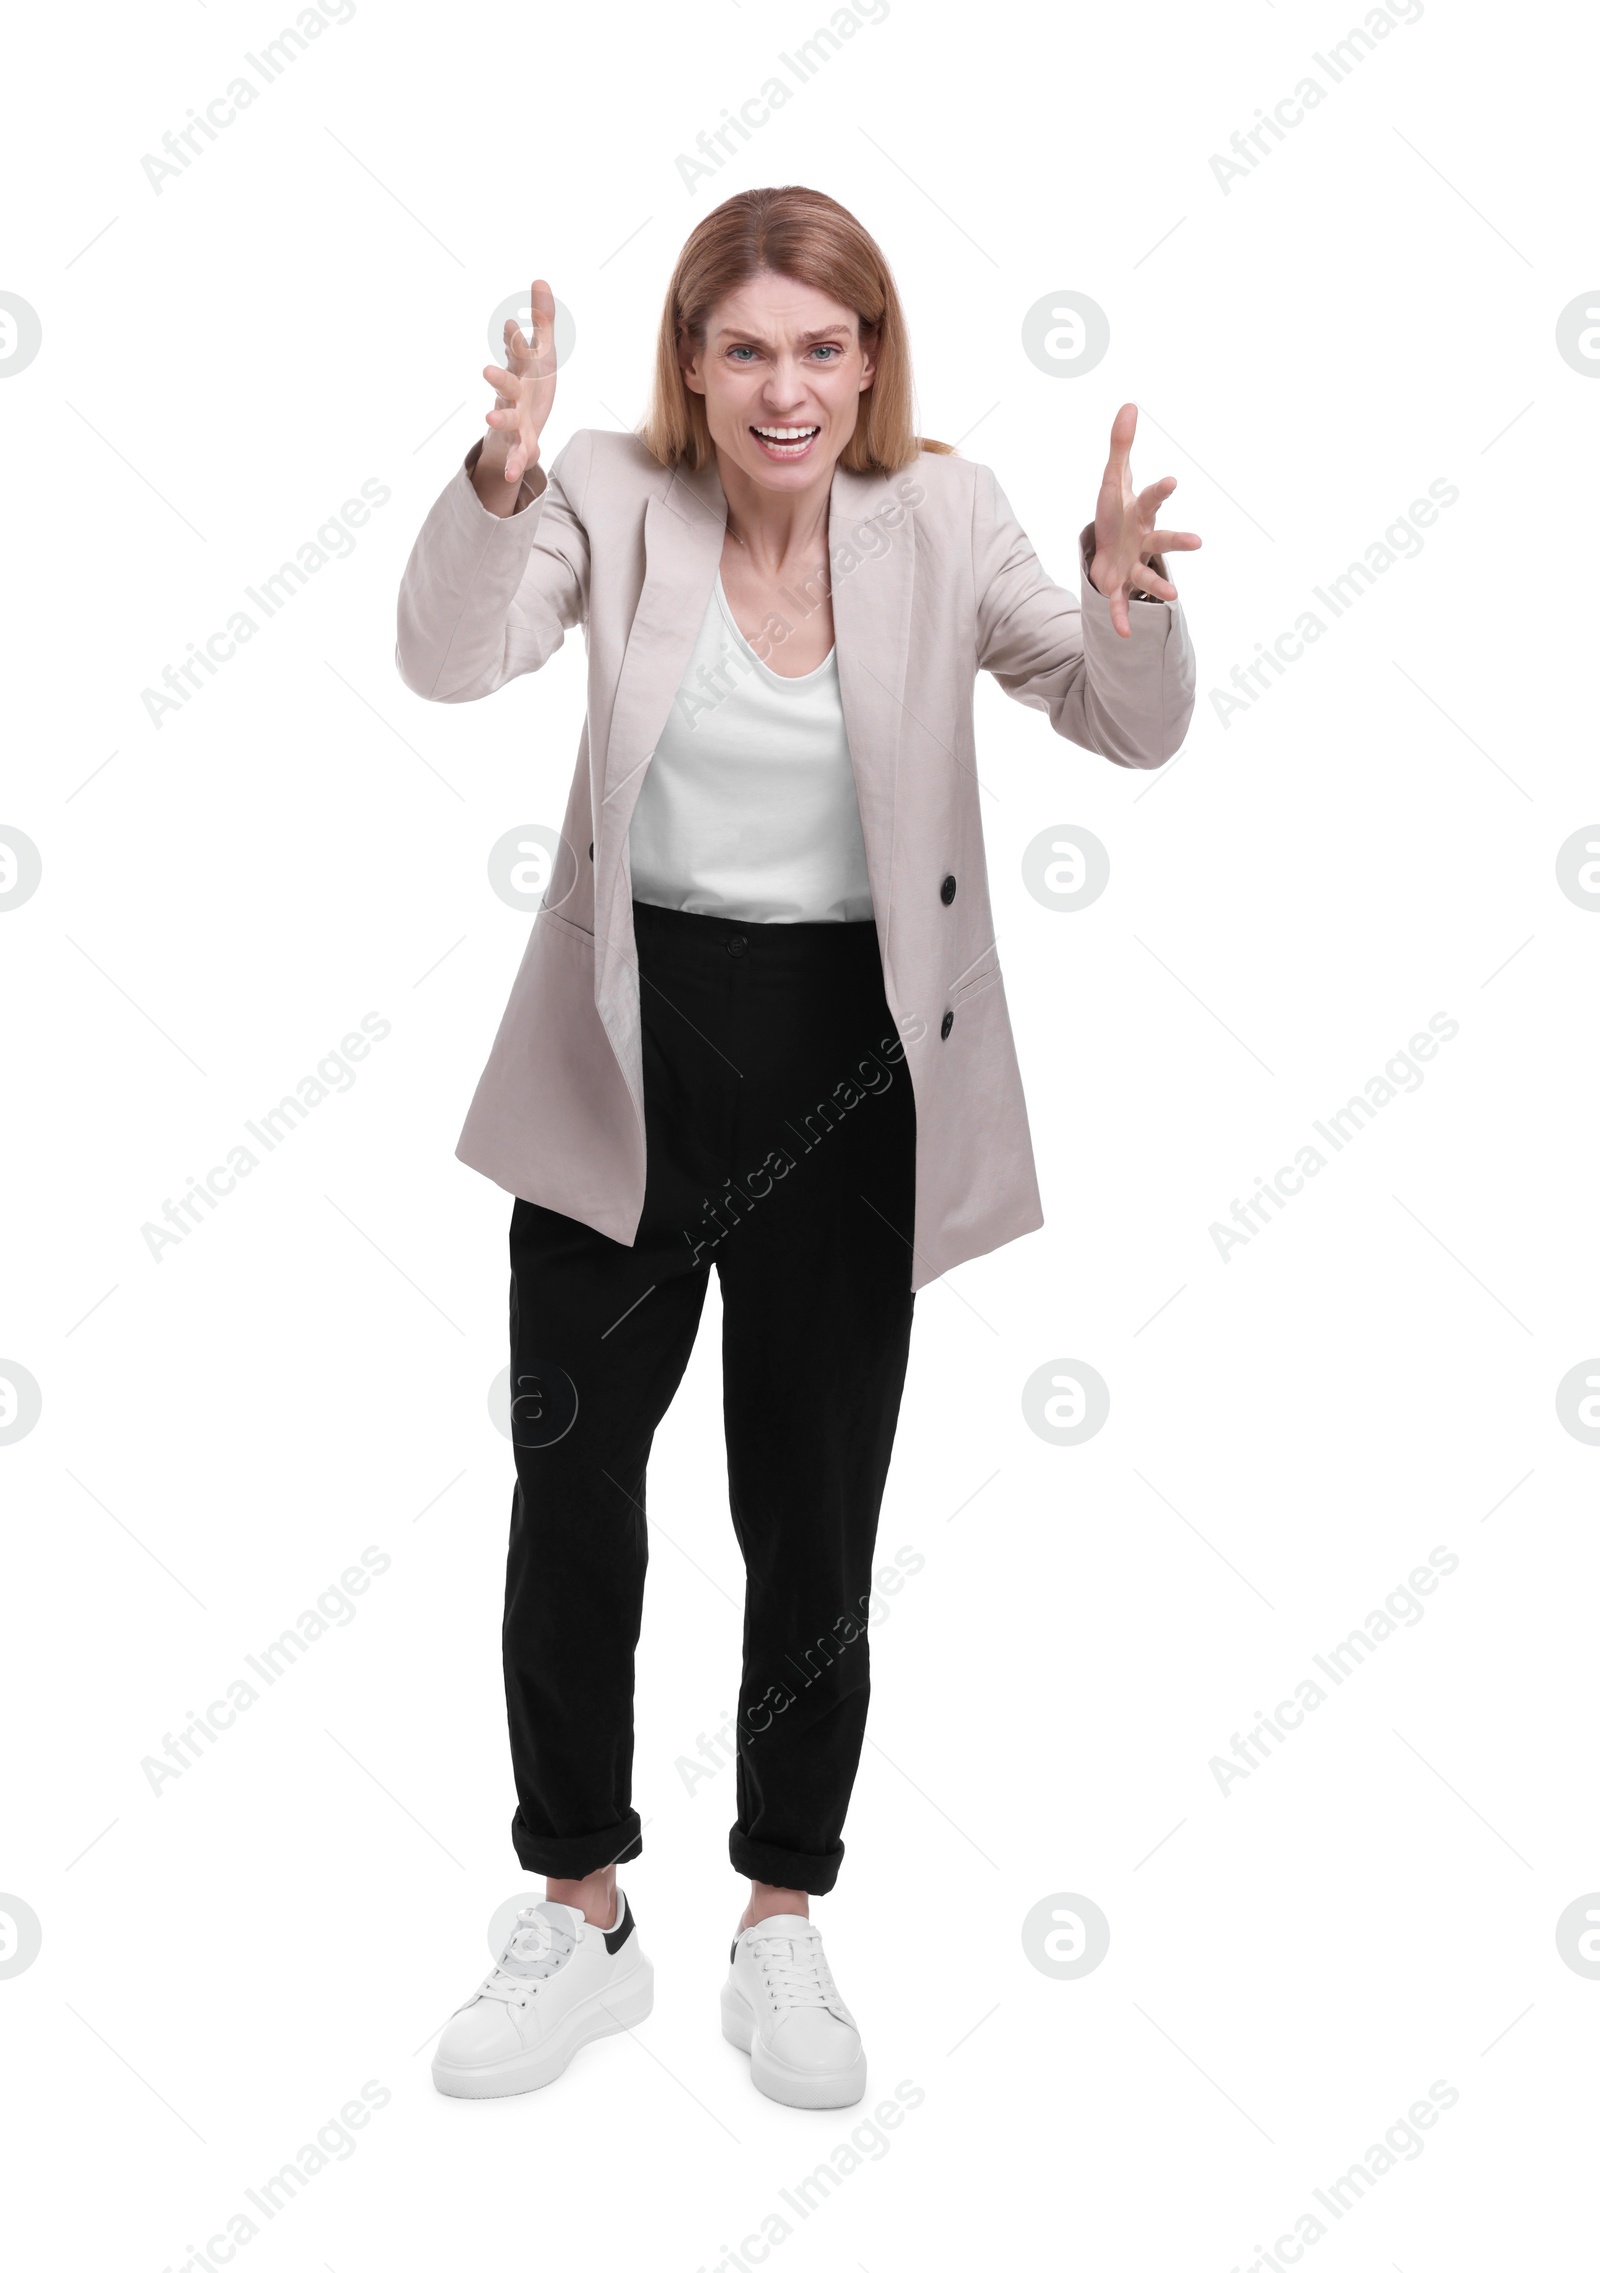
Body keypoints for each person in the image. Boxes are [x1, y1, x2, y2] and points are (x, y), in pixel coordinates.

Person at [394, 184, 1199, 2110]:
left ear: (870, 363)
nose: (788, 388)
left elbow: (1124, 724)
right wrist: (493, 485)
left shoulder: (944, 516)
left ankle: (780, 1915)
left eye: (824, 349)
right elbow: (448, 660)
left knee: (809, 1510)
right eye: (748, 347)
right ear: (691, 360)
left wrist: (1127, 600)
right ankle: (577, 1905)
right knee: (571, 1491)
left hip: (853, 1057)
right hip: (627, 1048)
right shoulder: (605, 487)